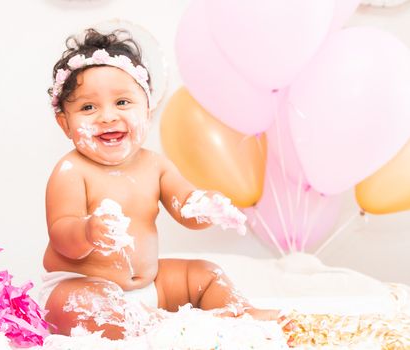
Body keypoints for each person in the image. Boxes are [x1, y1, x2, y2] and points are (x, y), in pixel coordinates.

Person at [41, 28, 281, 339]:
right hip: (80, 284)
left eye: (123, 102)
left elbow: (186, 207)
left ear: (147, 112)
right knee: (80, 304)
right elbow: (62, 234)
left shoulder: (155, 165)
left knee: (204, 273)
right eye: (88, 107)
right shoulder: (71, 170)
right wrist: (88, 231)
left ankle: (239, 314)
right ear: (65, 123)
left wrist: (205, 206)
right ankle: (163, 328)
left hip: (149, 285)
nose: (107, 116)